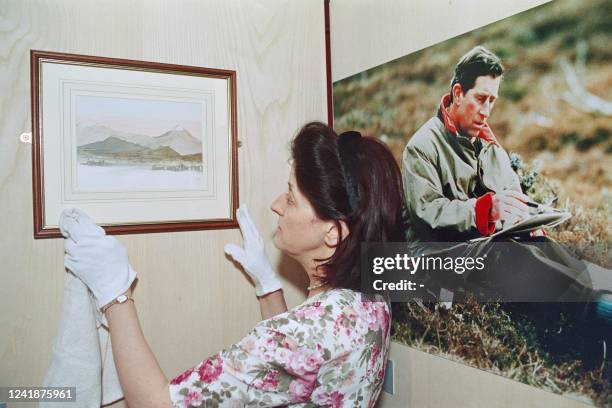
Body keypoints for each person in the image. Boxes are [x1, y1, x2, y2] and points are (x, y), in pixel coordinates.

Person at [59, 121, 406, 407]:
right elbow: (301, 366)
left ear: (332, 233)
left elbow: (155, 404)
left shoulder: (300, 334)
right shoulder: (370, 301)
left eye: (290, 197)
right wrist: (268, 286)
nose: (275, 205)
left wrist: (116, 294)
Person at [400, 46, 611, 368]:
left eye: (493, 101)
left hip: (481, 242)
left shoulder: (484, 140)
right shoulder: (422, 146)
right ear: (458, 93)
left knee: (545, 247)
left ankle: (595, 313)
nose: (487, 110)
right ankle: (595, 320)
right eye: (481, 99)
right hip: (438, 254)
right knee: (516, 258)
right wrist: (486, 210)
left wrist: (526, 216)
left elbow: (508, 191)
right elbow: (428, 213)